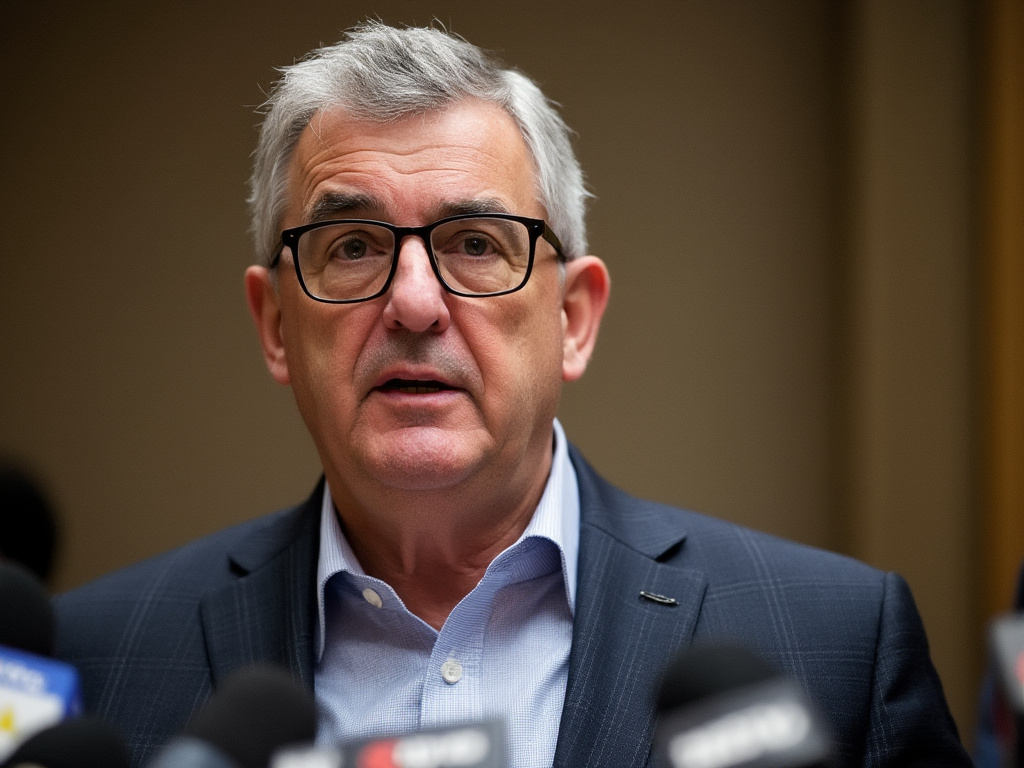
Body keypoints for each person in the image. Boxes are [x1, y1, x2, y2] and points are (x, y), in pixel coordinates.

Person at [54, 21, 970, 767]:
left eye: (477, 244)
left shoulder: (838, 644)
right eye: (354, 248)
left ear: (574, 316)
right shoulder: (93, 657)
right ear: (274, 325)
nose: (414, 303)